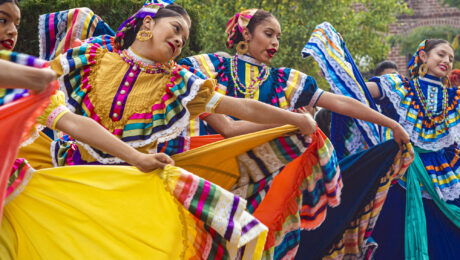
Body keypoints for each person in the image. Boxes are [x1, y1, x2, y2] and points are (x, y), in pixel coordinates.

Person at [1, 1, 323, 258]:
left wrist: (293, 118)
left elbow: (240, 107)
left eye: (184, 37)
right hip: (72, 186)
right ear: (147, 24)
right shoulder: (94, 57)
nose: (180, 39)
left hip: (131, 197)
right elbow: (42, 95)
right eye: (176, 28)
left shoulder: (178, 84)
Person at [179, 9, 411, 259]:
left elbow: (341, 102)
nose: (275, 42)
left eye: (278, 36)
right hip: (214, 172)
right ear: (246, 33)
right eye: (268, 34)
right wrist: (289, 121)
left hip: (264, 181)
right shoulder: (211, 67)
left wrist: (391, 124)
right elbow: (224, 126)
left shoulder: (283, 80)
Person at [304, 23, 459, 259]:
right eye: (441, 54)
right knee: (393, 234)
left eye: (451, 57)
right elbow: (360, 94)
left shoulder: (455, 98)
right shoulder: (400, 86)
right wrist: (340, 75)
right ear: (423, 56)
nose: (447, 60)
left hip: (443, 177)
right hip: (404, 170)